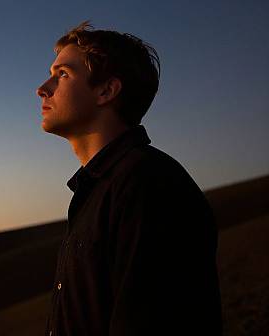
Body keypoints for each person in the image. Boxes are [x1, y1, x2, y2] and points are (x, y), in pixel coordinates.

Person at [37, 21, 223, 335]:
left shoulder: (149, 185)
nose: (43, 88)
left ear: (107, 90)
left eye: (62, 75)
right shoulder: (100, 187)